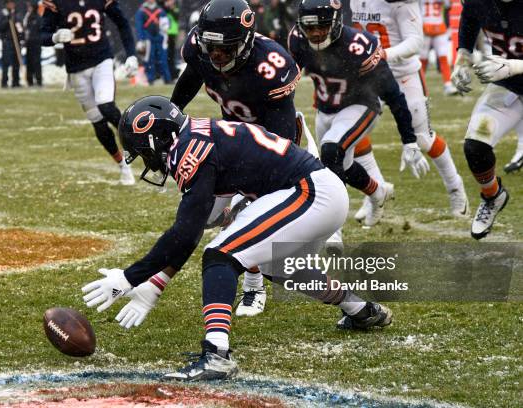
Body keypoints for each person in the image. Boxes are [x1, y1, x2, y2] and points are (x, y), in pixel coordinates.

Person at [81, 95, 393, 381]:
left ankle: (216, 354)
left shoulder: (191, 150)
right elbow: (195, 226)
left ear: (159, 137)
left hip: (310, 193)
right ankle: (360, 310)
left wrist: (130, 277)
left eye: (145, 152)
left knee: (221, 254)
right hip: (316, 193)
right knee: (275, 267)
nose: (149, 162)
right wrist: (154, 284)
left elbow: (186, 235)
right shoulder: (198, 136)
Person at [171, 0, 301, 318]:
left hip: (277, 146)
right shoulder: (202, 51)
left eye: (224, 49)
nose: (215, 55)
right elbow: (193, 74)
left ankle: (254, 285)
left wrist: (252, 191)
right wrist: (172, 114)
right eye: (210, 47)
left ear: (245, 43)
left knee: (253, 217)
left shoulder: (270, 66)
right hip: (231, 140)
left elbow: (281, 138)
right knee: (207, 214)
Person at [289, 0, 429, 231]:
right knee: (338, 164)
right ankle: (378, 193)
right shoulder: (298, 39)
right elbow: (289, 79)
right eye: (309, 26)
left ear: (335, 22)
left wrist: (409, 140)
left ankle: (333, 230)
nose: (315, 33)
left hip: (360, 106)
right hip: (325, 109)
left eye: (321, 26)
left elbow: (393, 95)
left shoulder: (358, 45)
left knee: (331, 149)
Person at [349, 0, 468, 221]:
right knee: (354, 135)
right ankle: (375, 192)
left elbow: (415, 42)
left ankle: (455, 187)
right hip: (370, 76)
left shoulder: (399, 2)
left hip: (404, 74)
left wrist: (384, 54)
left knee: (423, 139)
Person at [41, 0, 139, 185]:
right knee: (98, 123)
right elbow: (41, 35)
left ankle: (139, 142)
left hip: (101, 60)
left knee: (106, 106)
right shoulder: (55, 3)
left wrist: (131, 54)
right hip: (76, 69)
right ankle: (123, 166)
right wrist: (54, 37)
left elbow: (122, 22)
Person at [450, 0, 522, 239]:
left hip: (509, 72)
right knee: (475, 146)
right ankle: (493, 196)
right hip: (508, 86)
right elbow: (469, 19)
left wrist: (513, 65)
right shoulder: (480, 2)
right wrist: (462, 58)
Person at [420, 0, 458, 95]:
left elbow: (448, 5)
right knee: (423, 59)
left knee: (443, 57)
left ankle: (448, 84)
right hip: (424, 27)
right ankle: (420, 86)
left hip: (439, 27)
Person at [135, 0, 172, 84]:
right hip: (148, 39)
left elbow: (166, 24)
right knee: (149, 60)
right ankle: (150, 79)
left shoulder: (160, 10)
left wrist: (165, 34)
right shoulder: (141, 11)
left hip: (160, 38)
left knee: (163, 59)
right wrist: (141, 39)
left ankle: (167, 79)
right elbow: (139, 26)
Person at [0, 0, 23, 88]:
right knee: (6, 62)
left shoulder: (17, 14)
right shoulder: (3, 14)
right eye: (10, 3)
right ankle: (4, 82)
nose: (12, 5)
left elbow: (20, 28)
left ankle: (16, 82)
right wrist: (7, 20)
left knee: (16, 62)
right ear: (6, 4)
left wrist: (21, 37)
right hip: (7, 41)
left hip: (16, 41)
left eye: (13, 3)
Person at [23, 0, 42, 87]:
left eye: (30, 6)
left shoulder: (37, 18)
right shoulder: (27, 16)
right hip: (29, 43)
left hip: (36, 43)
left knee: (36, 62)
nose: (28, 8)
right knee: (29, 62)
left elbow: (39, 30)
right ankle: (29, 80)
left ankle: (38, 80)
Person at [162, 0, 180, 79]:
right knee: (167, 55)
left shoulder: (175, 9)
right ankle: (169, 74)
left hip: (172, 35)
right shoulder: (164, 9)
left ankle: (172, 74)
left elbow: (175, 15)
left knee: (171, 55)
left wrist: (168, 6)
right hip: (166, 34)